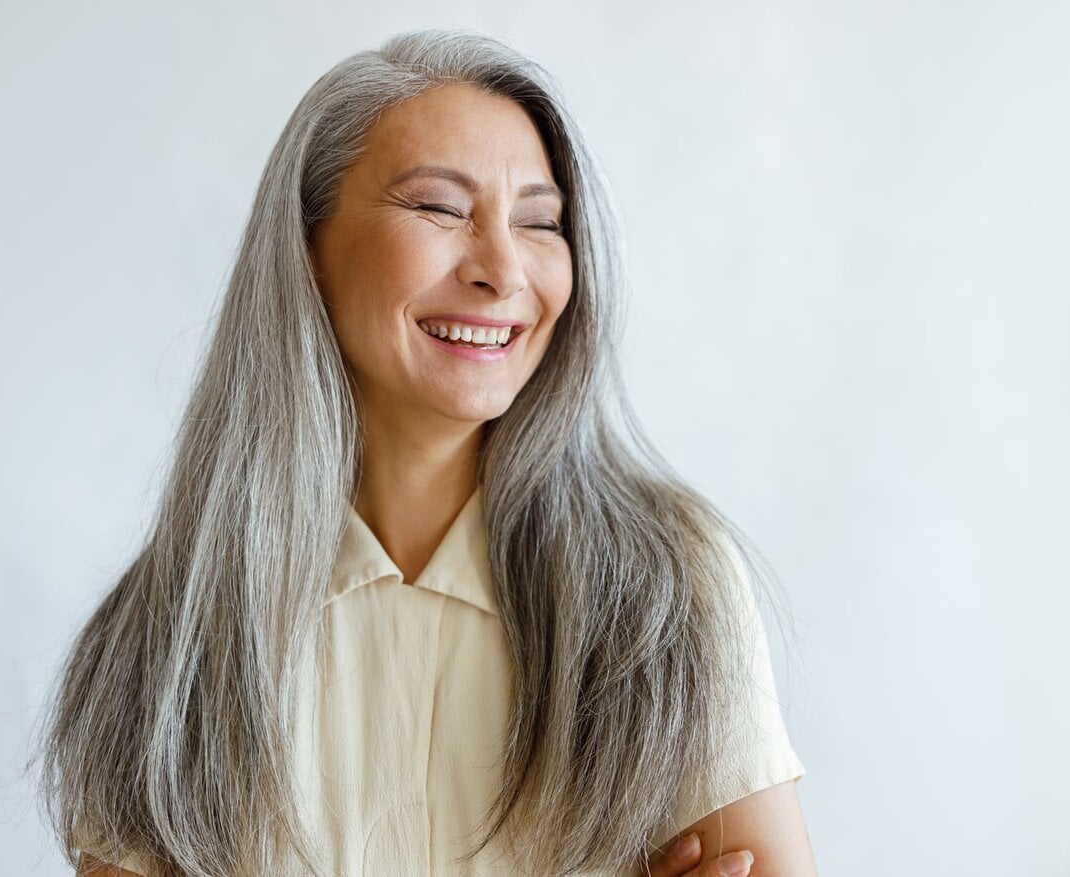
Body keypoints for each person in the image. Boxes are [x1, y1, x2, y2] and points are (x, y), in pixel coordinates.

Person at [41, 29, 817, 877]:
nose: (503, 268)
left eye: (541, 222)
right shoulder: (169, 630)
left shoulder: (667, 583)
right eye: (440, 209)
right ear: (307, 252)